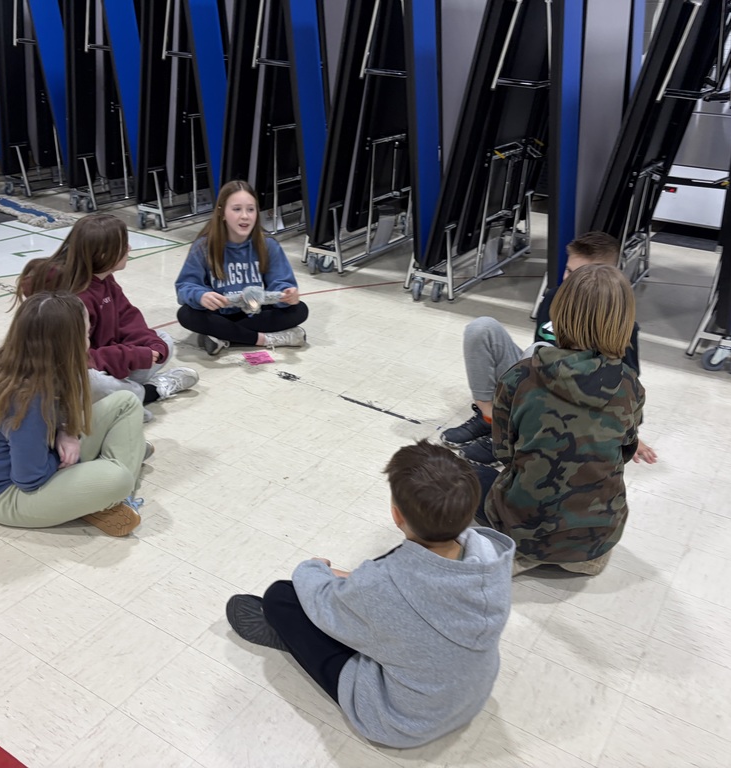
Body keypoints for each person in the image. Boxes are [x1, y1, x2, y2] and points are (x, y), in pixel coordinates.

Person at [225, 440, 514, 749]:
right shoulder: (490, 557)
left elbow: (327, 601)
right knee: (384, 572)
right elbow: (406, 580)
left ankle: (295, 640)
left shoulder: (381, 588)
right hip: (470, 698)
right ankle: (349, 607)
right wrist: (358, 582)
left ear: (396, 515)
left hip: (403, 722)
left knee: (280, 597)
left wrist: (313, 567)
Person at [481, 265, 644, 576]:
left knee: (473, 478)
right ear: (624, 323)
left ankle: (521, 555)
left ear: (559, 315)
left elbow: (504, 452)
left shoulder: (519, 376)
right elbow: (625, 450)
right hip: (597, 541)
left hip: (525, 532)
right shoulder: (630, 385)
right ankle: (580, 558)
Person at [442, 231, 656, 466]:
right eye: (568, 271)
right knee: (482, 328)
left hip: (573, 405)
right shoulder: (553, 298)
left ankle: (510, 436)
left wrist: (631, 435)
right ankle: (489, 417)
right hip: (537, 386)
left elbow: (629, 387)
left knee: (537, 351)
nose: (567, 280)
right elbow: (539, 353)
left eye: (579, 276)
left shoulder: (620, 325)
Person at [0, 292, 149, 536]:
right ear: (66, 341)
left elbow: (60, 414)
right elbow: (29, 478)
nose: (89, 337)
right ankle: (108, 492)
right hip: (8, 497)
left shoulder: (34, 366)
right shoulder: (25, 397)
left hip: (42, 458)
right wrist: (70, 459)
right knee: (118, 478)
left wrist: (66, 431)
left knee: (126, 401)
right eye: (85, 331)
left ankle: (97, 494)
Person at [18, 213, 198, 423]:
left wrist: (150, 347)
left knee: (163, 339)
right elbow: (77, 360)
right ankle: (148, 393)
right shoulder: (71, 298)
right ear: (103, 255)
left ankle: (124, 398)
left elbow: (127, 317)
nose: (129, 249)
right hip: (73, 374)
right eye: (123, 245)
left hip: (105, 361)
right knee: (94, 382)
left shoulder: (103, 279)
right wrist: (132, 355)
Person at [175, 180, 308, 355]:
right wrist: (201, 296)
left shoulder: (268, 245)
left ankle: (221, 336)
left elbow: (281, 283)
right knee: (186, 314)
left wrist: (287, 295)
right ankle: (264, 339)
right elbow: (185, 287)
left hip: (254, 312)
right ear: (222, 213)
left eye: (250, 209)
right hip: (219, 314)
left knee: (300, 310)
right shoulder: (203, 246)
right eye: (237, 209)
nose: (245, 216)